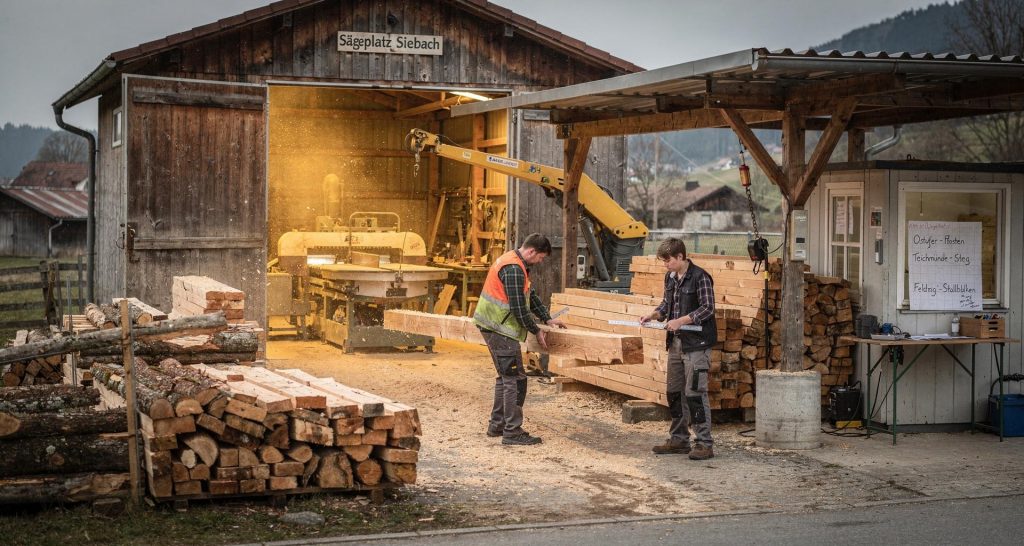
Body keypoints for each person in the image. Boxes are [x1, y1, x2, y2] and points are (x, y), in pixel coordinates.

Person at [473, 233, 566, 445]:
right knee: (515, 379)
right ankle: (512, 432)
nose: (541, 261)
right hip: (499, 328)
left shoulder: (514, 262)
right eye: (541, 257)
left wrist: (547, 318)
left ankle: (497, 425)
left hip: (494, 326)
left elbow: (529, 296)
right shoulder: (514, 269)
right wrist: (536, 330)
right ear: (532, 251)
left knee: (505, 377)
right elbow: (518, 309)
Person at [640, 238, 717, 460]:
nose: (666, 265)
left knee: (695, 393)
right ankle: (678, 439)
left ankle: (704, 443)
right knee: (674, 393)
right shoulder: (671, 277)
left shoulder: (700, 277)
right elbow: (666, 304)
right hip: (675, 343)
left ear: (680, 257)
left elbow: (708, 308)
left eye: (668, 260)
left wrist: (682, 320)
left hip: (697, 345)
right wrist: (653, 314)